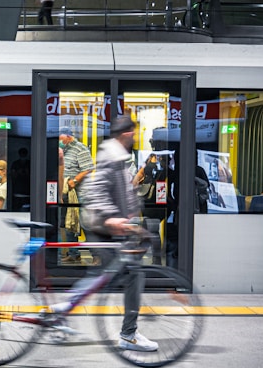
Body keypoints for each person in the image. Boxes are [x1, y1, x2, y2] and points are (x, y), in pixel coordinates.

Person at [80, 115, 158, 352]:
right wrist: (112, 217)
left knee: (116, 276)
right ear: (127, 134)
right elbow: (97, 190)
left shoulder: (119, 157)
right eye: (134, 133)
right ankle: (128, 335)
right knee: (131, 275)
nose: (135, 137)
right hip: (104, 228)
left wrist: (132, 219)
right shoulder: (111, 156)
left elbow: (124, 192)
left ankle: (60, 311)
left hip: (113, 228)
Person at [59, 126, 94, 263]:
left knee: (85, 224)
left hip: (80, 193)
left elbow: (88, 168)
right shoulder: (63, 150)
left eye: (60, 138)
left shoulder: (80, 148)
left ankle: (96, 255)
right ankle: (73, 253)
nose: (59, 141)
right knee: (69, 223)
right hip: (67, 192)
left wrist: (74, 180)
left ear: (68, 136)